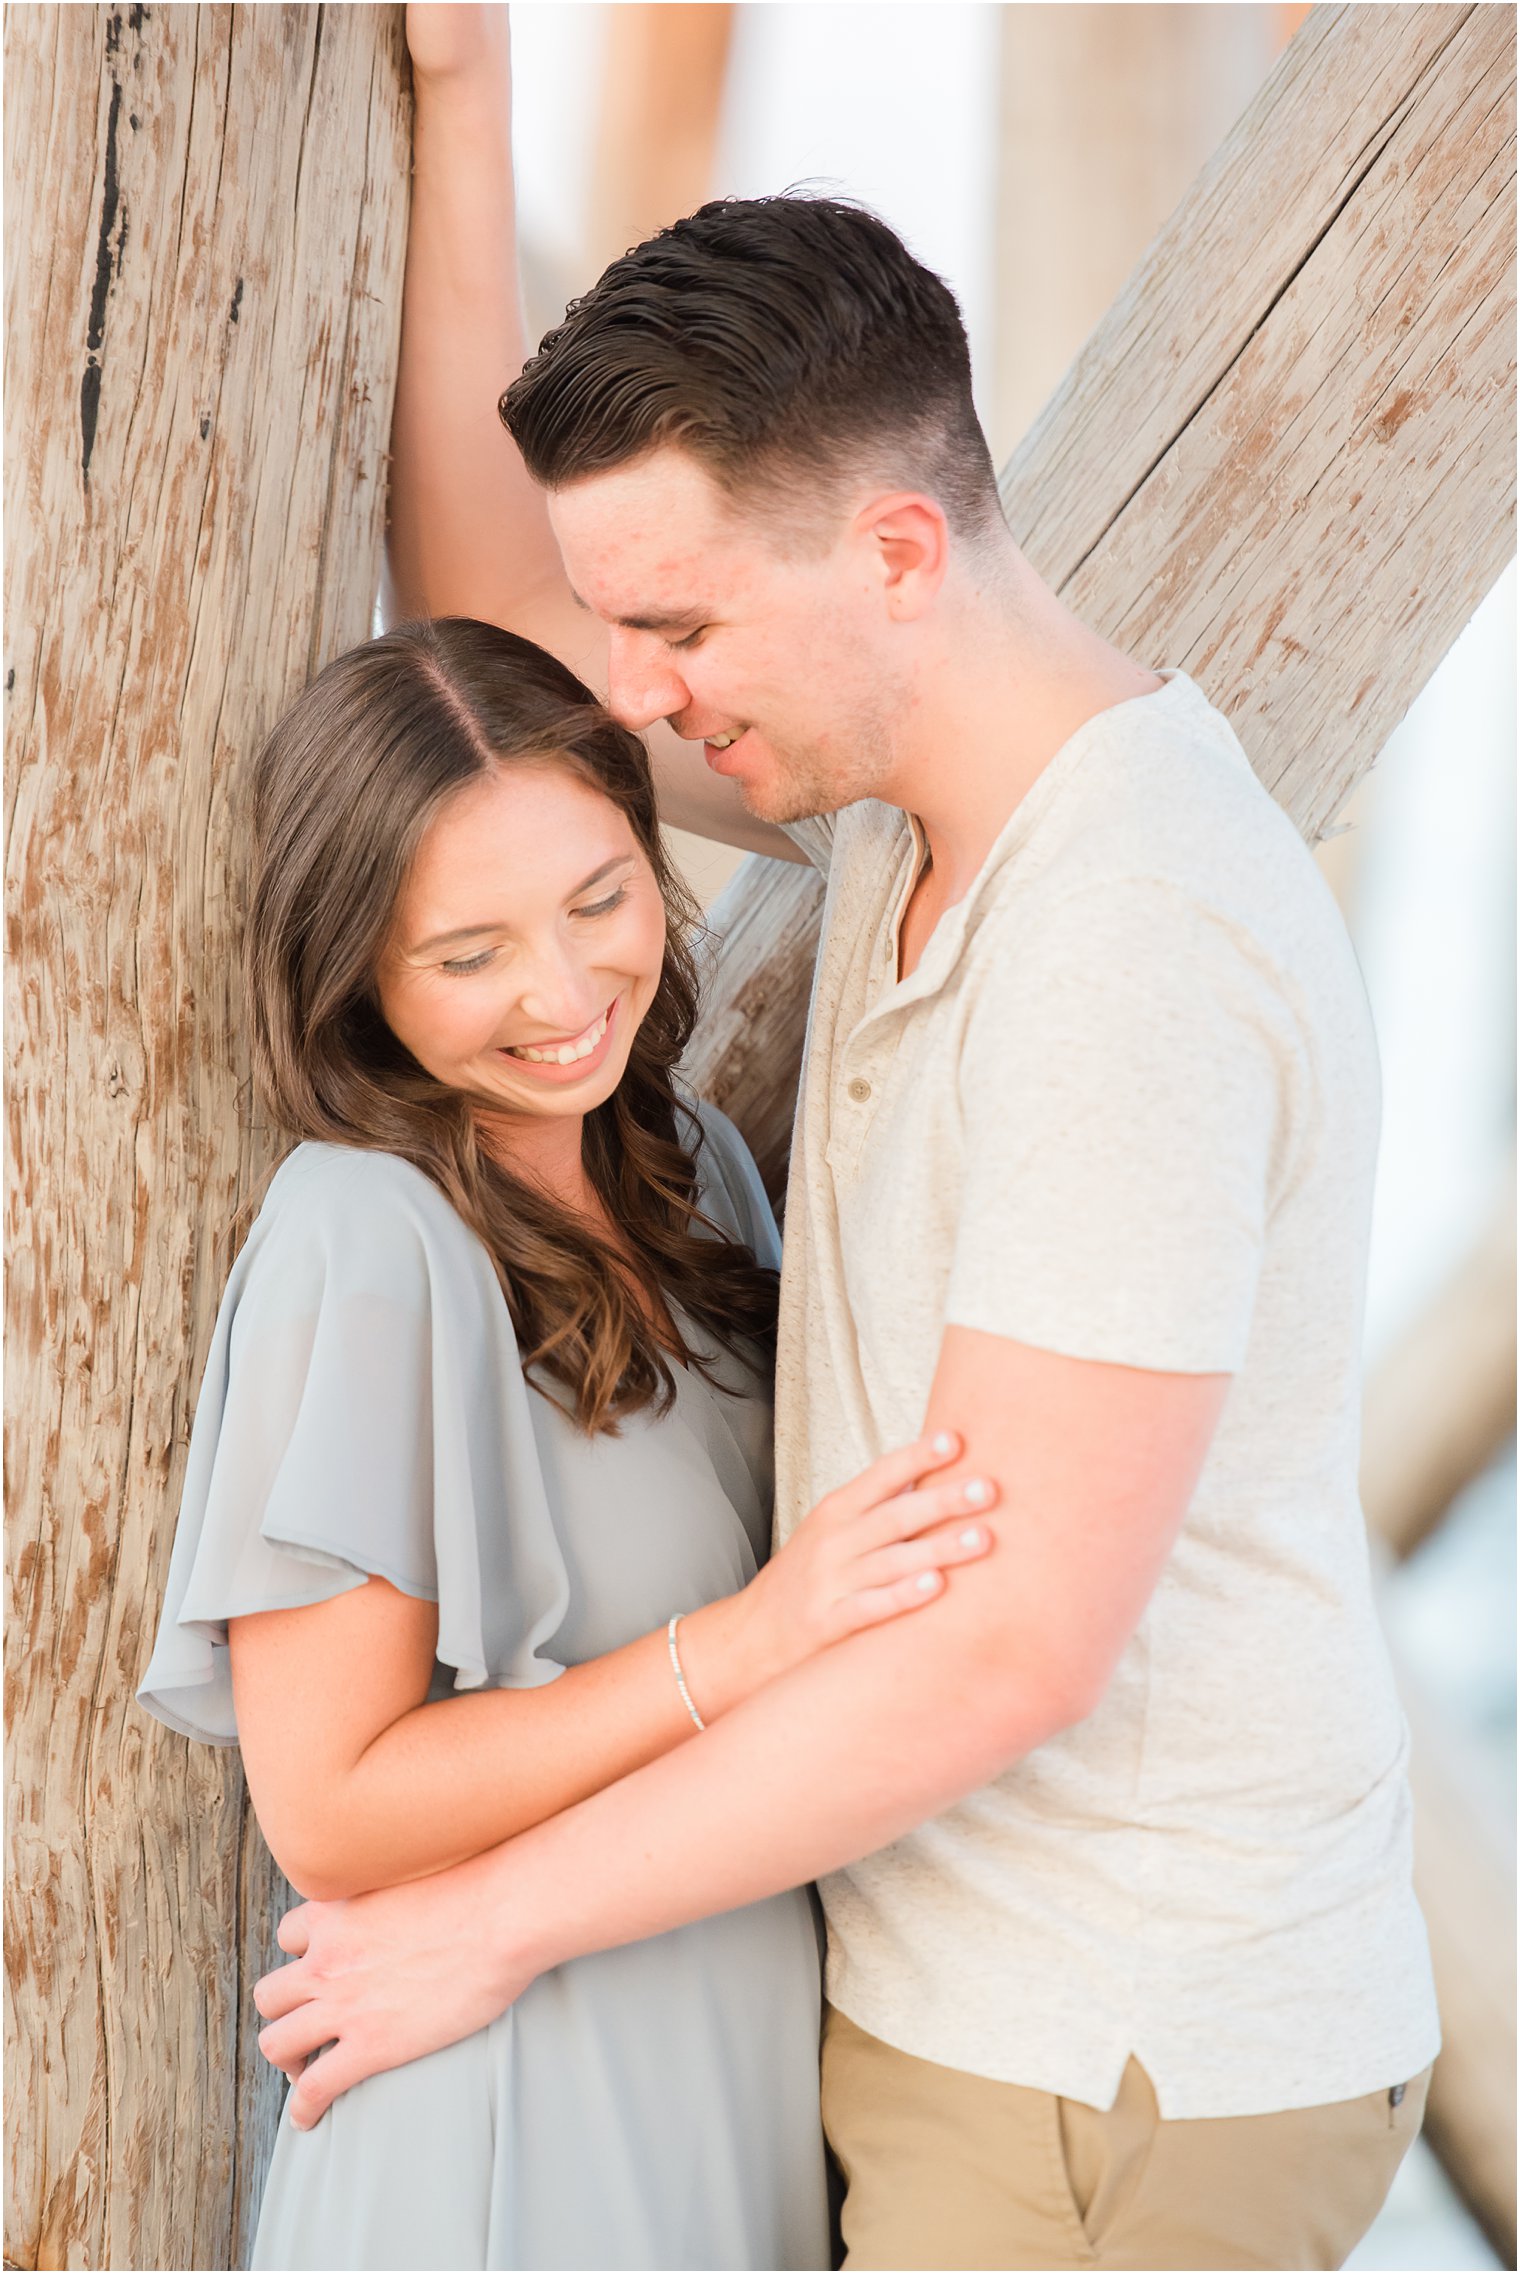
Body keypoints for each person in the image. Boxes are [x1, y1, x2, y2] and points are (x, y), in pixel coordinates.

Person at [251, 11, 1442, 2269]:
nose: (642, 691)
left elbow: (1004, 1651)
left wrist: (480, 1924)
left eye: (681, 624)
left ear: (896, 548)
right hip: (967, 2004)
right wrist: (461, 99)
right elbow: (494, 634)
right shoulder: (912, 801)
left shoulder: (1125, 944)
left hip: (1114, 2061)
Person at [136, 614, 1000, 2272]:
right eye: (465, 956)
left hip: (731, 2055)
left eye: (599, 900)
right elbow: (332, 1803)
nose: (559, 992)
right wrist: (746, 1642)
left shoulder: (689, 1171)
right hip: (511, 2112)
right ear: (357, 977)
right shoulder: (364, 1237)